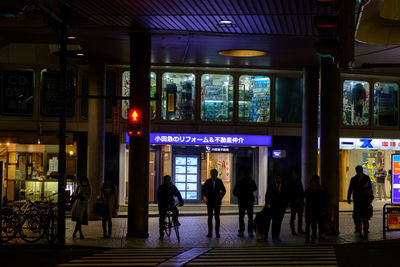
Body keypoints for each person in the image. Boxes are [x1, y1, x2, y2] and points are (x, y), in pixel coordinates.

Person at [347, 165, 374, 239]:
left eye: (361, 170)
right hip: (358, 200)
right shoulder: (354, 179)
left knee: (364, 218)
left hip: (364, 200)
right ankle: (361, 231)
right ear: (357, 171)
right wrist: (349, 198)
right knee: (359, 217)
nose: (360, 172)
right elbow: (350, 189)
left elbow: (370, 188)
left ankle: (364, 231)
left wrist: (371, 197)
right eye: (359, 170)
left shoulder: (365, 178)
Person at [157, 175, 184, 241]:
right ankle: (161, 233)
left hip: (170, 204)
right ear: (164, 180)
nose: (167, 181)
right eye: (166, 180)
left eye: (168, 180)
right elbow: (159, 197)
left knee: (176, 211)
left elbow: (178, 194)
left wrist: (181, 201)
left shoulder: (172, 187)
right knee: (162, 218)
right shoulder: (161, 187)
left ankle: (176, 220)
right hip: (163, 205)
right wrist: (162, 203)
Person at [202, 169, 226, 238]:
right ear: (211, 174)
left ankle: (217, 233)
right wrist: (207, 197)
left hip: (217, 202)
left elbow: (224, 190)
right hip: (210, 202)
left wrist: (220, 197)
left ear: (217, 174)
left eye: (215, 174)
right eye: (212, 174)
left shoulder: (219, 181)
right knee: (210, 218)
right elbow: (204, 190)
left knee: (217, 217)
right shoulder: (208, 181)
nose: (214, 175)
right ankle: (210, 233)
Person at [233, 170, 258, 237]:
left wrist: (239, 196)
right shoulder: (251, 181)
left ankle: (241, 231)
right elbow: (255, 188)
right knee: (250, 217)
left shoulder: (239, 181)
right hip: (248, 201)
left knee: (241, 217)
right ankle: (250, 231)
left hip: (242, 201)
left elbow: (234, 192)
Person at [264, 174, 288, 242]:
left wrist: (284, 207)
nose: (277, 180)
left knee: (278, 223)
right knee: (273, 223)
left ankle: (277, 236)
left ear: (281, 179)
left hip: (281, 209)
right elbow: (267, 195)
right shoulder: (271, 186)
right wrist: (267, 204)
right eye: (276, 178)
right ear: (274, 179)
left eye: (279, 178)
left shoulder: (284, 187)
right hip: (273, 208)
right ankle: (273, 237)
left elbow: (286, 198)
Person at [304, 175, 325, 243]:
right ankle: (308, 238)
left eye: (314, 183)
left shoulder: (319, 190)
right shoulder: (308, 190)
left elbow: (321, 201)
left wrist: (322, 209)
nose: (314, 184)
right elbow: (303, 198)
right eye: (312, 183)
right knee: (308, 225)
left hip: (316, 210)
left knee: (313, 225)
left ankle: (313, 237)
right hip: (309, 210)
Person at [286, 170, 304, 235]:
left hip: (299, 202)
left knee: (300, 216)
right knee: (293, 216)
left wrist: (302, 200)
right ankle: (293, 230)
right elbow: (288, 193)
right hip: (293, 202)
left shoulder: (299, 181)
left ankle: (300, 229)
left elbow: (302, 191)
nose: (294, 175)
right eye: (293, 174)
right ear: (291, 175)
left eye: (295, 174)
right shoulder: (289, 182)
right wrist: (289, 201)